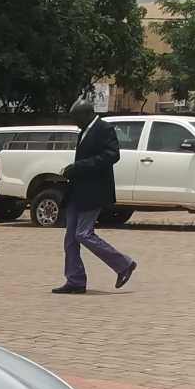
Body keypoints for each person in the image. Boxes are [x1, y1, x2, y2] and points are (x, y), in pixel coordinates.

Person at [53, 107, 138, 294]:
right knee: (70, 238)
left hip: (94, 191)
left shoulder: (104, 128)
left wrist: (79, 166)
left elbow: (112, 155)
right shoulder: (85, 130)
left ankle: (124, 264)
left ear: (86, 114)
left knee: (83, 233)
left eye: (76, 118)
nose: (75, 122)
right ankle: (75, 280)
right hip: (77, 190)